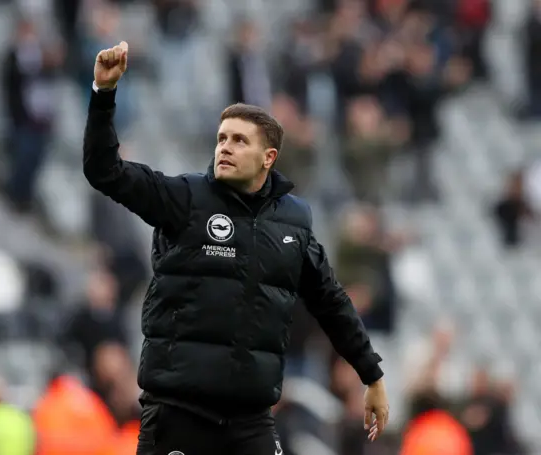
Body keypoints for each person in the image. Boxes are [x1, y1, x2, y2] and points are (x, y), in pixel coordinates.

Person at [84, 41, 389, 455]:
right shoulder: (185, 198)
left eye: (239, 140)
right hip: (179, 412)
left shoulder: (293, 222)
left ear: (269, 157)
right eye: (221, 138)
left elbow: (332, 303)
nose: (224, 146)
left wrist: (371, 376)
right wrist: (104, 94)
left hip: (250, 418)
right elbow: (105, 171)